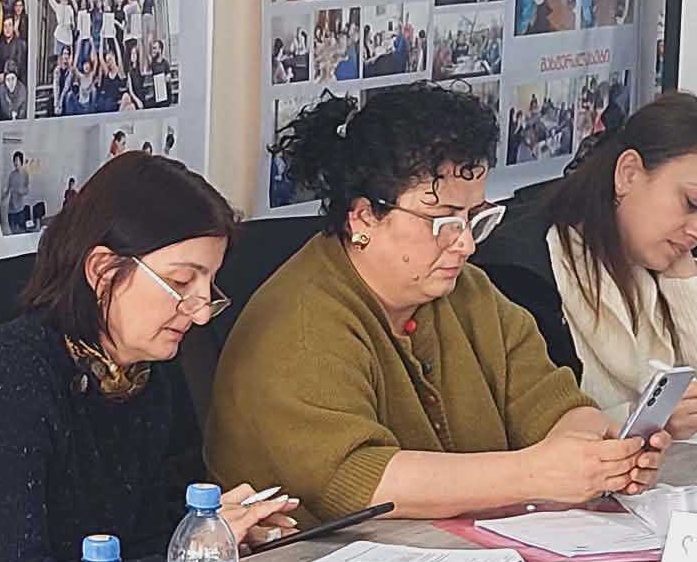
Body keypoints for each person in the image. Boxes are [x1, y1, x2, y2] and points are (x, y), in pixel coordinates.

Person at [207, 85, 667, 522]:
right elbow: (359, 481)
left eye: (473, 218)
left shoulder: (468, 292)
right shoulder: (301, 325)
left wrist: (598, 453)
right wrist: (536, 474)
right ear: (364, 217)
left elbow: (550, 403)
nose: (465, 243)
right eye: (442, 221)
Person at [0, 155, 298, 562]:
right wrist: (190, 557)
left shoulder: (150, 370)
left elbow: (156, 533)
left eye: (209, 285)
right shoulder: (5, 376)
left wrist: (219, 536)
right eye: (181, 283)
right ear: (103, 271)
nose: (202, 312)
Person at [477, 92, 697, 436]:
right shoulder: (523, 272)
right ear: (628, 174)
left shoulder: (660, 253)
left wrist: (682, 270)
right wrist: (641, 421)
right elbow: (532, 430)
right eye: (692, 203)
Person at [5, 150, 31, 232]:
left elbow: (27, 190)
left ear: (21, 161)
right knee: (12, 230)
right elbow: (8, 189)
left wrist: (20, 191)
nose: (15, 163)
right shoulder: (11, 174)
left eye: (17, 160)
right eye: (14, 161)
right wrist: (4, 195)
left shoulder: (25, 174)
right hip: (11, 209)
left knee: (21, 231)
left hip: (20, 208)